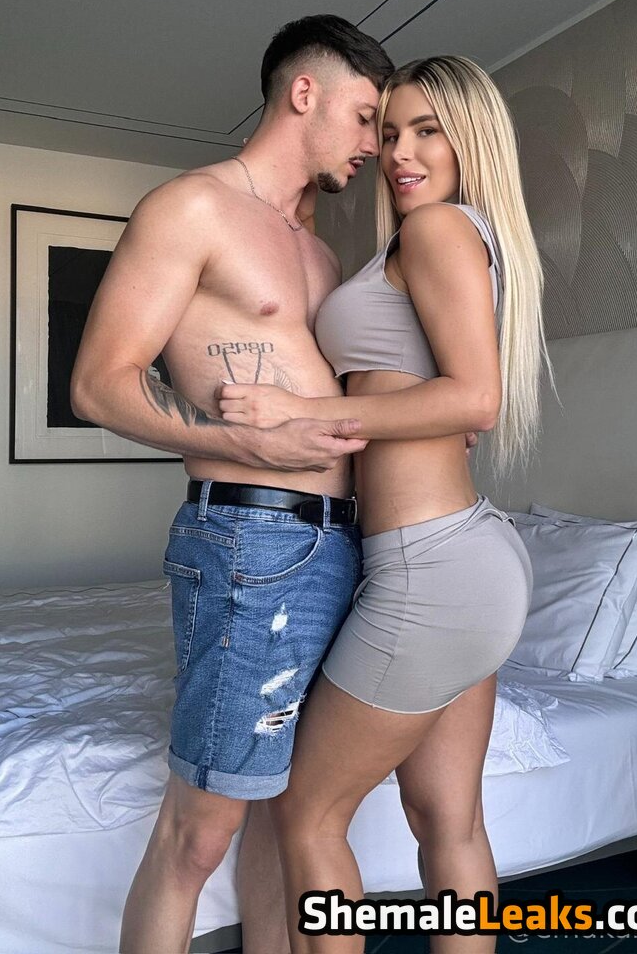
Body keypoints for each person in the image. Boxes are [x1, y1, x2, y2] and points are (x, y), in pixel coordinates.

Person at [70, 15, 395, 954]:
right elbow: (98, 384)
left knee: (280, 810)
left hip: (339, 542)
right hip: (251, 541)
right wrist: (247, 441)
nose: (373, 145)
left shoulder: (319, 252)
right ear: (305, 93)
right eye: (365, 117)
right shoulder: (192, 208)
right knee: (199, 831)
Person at [217, 55, 551, 953]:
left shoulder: (437, 229)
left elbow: (474, 399)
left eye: (426, 131)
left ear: (471, 140)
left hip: (432, 567)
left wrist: (301, 412)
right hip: (466, 557)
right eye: (390, 131)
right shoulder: (456, 237)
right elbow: (447, 394)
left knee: (306, 811)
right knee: (450, 822)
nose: (400, 153)